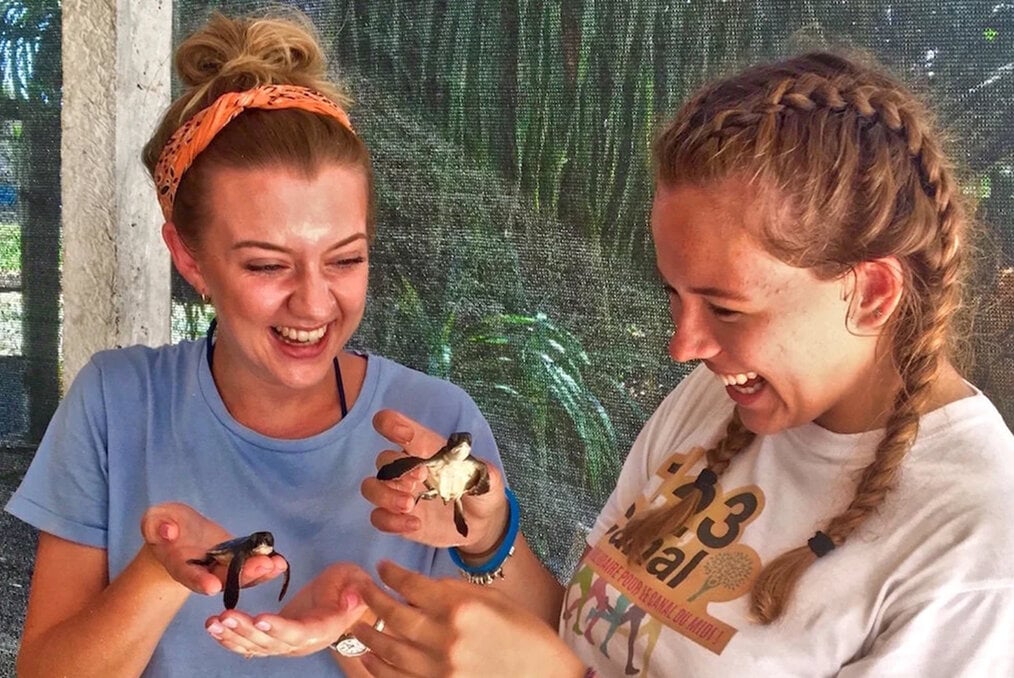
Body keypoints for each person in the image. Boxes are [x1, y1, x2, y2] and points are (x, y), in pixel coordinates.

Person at [315, 51, 1013, 676]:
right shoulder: (720, 402)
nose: (685, 346)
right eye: (673, 295)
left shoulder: (975, 549)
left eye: (727, 308)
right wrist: (491, 542)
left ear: (872, 293)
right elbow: (593, 643)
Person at [4, 11, 537, 677]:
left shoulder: (436, 422)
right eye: (265, 266)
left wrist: (487, 540)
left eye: (345, 260)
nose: (314, 304)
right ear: (190, 259)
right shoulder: (117, 404)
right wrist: (161, 573)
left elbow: (546, 652)